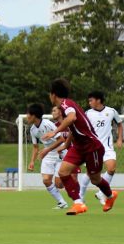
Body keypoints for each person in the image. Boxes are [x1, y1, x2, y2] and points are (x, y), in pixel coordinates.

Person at [41, 79, 117, 215]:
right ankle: (78, 203)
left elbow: (72, 118)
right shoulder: (65, 106)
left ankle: (110, 196)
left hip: (91, 146)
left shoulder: (66, 104)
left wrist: (55, 132)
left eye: (49, 94)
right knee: (63, 172)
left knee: (95, 179)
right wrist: (67, 144)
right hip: (78, 146)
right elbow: (72, 128)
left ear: (53, 94)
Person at [81, 91, 123, 206]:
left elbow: (119, 124)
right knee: (91, 173)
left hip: (107, 147)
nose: (89, 103)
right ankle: (80, 197)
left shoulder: (111, 111)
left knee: (111, 168)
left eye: (91, 100)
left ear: (98, 100)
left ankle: (100, 192)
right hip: (93, 148)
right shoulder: (87, 113)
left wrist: (120, 139)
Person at [26, 104, 69, 209]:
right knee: (46, 180)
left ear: (34, 116)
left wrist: (47, 149)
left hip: (60, 152)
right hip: (48, 154)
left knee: (59, 184)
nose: (27, 116)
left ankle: (75, 189)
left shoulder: (48, 124)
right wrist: (32, 162)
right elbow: (35, 147)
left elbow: (61, 140)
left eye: (28, 114)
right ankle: (62, 202)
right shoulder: (32, 130)